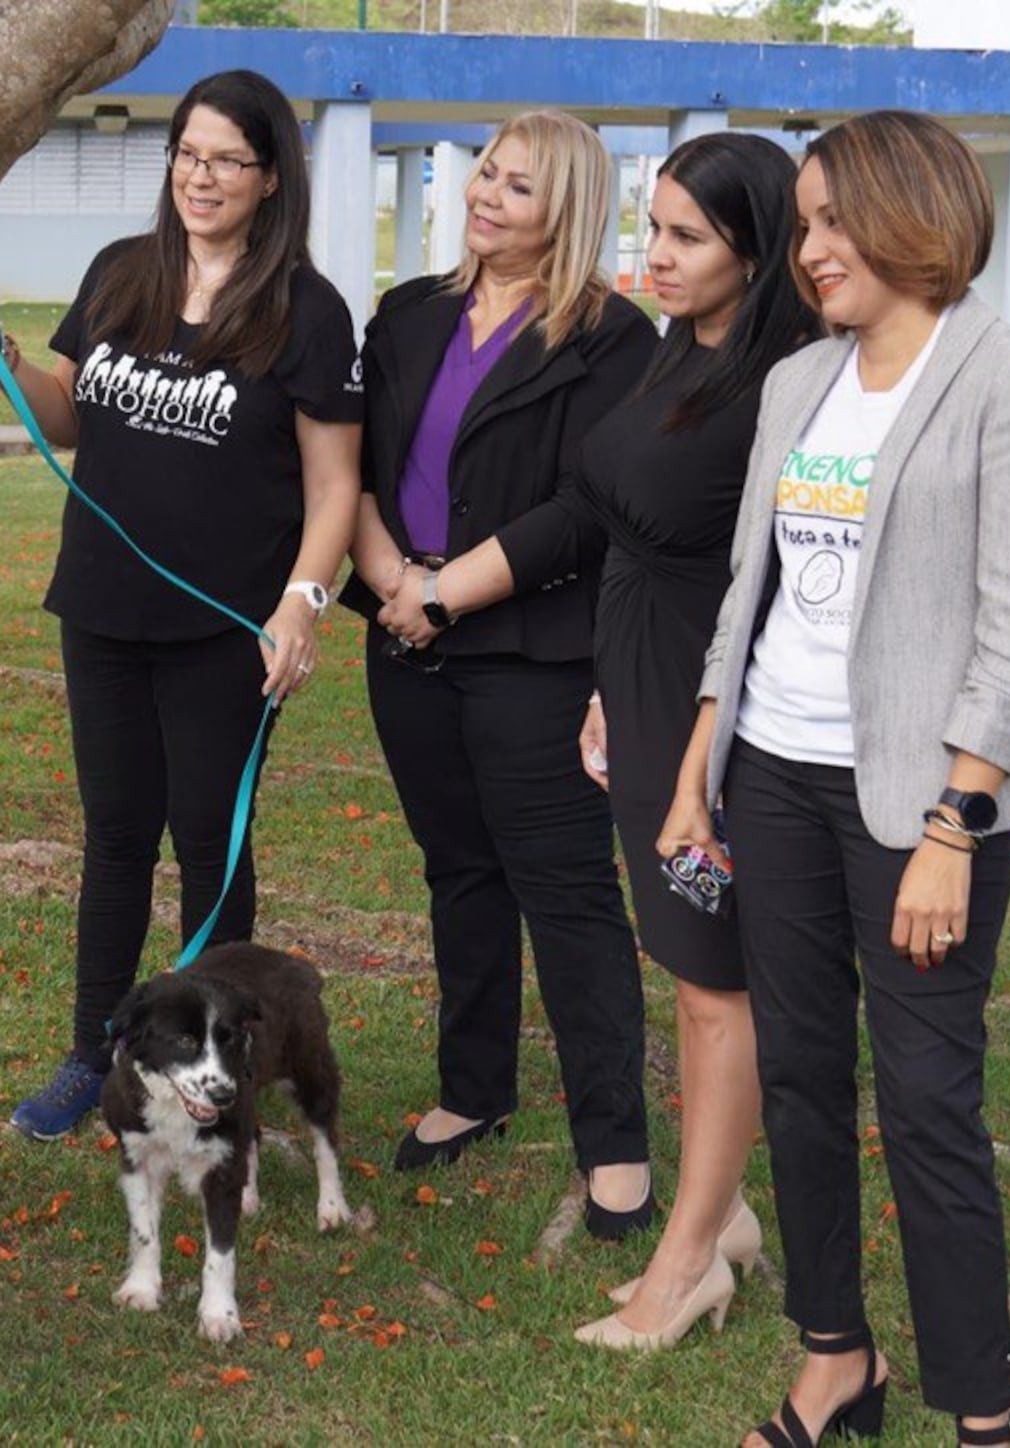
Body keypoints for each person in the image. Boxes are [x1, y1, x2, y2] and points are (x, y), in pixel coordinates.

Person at [660, 110, 1010, 1448]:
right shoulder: (802, 384)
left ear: (918, 213)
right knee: (797, 1076)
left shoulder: (1009, 383)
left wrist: (955, 825)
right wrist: (697, 768)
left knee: (927, 1108)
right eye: (803, 225)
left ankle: (983, 1415)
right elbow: (751, 593)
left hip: (920, 807)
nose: (811, 249)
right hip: (774, 778)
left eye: (835, 219)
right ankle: (836, 1359)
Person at [0, 69, 363, 1139]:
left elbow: (334, 489)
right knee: (114, 836)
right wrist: (5, 362)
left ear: (271, 176)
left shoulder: (307, 313)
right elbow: (63, 416)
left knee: (207, 844)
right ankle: (95, 1051)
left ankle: (210, 1066)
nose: (201, 176)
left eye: (227, 159)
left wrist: (300, 604)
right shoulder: (119, 274)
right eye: (187, 153)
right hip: (101, 608)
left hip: (224, 629)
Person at [343, 110, 658, 1235]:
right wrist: (390, 579)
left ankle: (613, 1145)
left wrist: (446, 591)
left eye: (517, 188)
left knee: (565, 893)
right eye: (485, 173)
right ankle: (473, 1087)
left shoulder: (612, 340)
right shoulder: (406, 314)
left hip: (530, 645)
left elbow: (589, 505)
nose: (486, 197)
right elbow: (360, 464)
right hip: (402, 630)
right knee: (458, 871)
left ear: (563, 212)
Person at [558, 133, 819, 1351]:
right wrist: (614, 687)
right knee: (687, 964)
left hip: (718, 717)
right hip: (644, 684)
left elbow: (762, 583)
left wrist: (693, 754)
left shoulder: (789, 383)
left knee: (718, 985)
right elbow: (631, 529)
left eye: (684, 237)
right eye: (650, 227)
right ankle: (726, 1216)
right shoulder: (679, 348)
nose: (650, 256)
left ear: (754, 253)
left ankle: (688, 1258)